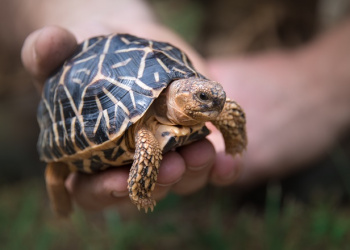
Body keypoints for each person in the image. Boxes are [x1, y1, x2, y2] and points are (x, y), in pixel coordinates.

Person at [20, 0, 350, 212]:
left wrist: (234, 139)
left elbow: (223, 107)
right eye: (203, 98)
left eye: (212, 96)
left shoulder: (195, 102)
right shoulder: (148, 128)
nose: (215, 103)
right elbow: (146, 139)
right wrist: (141, 191)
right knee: (58, 171)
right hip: (81, 102)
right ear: (179, 97)